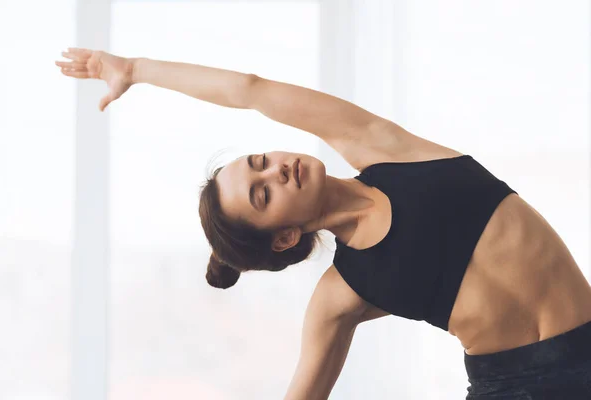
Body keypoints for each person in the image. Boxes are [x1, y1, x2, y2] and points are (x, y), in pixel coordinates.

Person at [56, 48, 591, 399]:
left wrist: (135, 70)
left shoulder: (380, 145)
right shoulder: (340, 294)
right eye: (264, 195)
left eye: (261, 162)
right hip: (508, 387)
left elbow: (250, 88)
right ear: (286, 237)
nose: (277, 169)